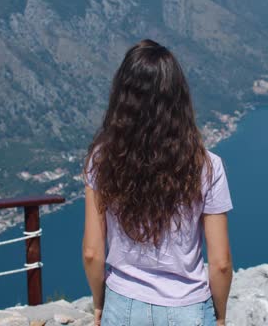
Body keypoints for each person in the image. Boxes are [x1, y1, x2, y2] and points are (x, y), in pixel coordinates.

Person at [82, 39, 234, 326]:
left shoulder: (101, 159)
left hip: (122, 305)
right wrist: (221, 316)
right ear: (178, 98)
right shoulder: (207, 166)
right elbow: (221, 263)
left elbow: (92, 252)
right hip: (188, 309)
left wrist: (100, 305)